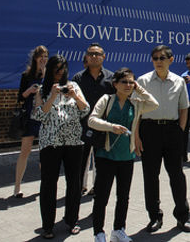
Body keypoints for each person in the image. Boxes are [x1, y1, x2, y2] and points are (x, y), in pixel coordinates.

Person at [88, 68, 159, 242]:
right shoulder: (107, 99)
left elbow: (154, 104)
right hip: (106, 155)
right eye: (124, 82)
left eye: (131, 82)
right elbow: (92, 120)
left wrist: (139, 89)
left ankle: (119, 229)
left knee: (123, 197)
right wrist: (111, 127)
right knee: (102, 197)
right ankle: (99, 232)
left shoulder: (135, 103)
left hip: (126, 156)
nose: (128, 85)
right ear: (115, 84)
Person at [136, 45, 190, 233]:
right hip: (149, 131)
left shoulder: (179, 81)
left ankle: (183, 216)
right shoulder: (143, 81)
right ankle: (154, 217)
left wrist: (180, 130)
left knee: (177, 175)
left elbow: (184, 108)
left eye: (162, 58)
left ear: (171, 60)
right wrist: (136, 136)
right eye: (155, 58)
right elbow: (136, 111)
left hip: (172, 131)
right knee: (151, 176)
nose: (158, 61)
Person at [32, 55, 90, 238]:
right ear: (50, 70)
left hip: (73, 141)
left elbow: (85, 109)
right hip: (51, 142)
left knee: (74, 182)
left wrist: (74, 96)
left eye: (62, 69)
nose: (59, 73)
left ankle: (72, 220)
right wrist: (52, 96)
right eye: (56, 69)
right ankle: (48, 225)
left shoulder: (74, 86)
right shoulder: (42, 90)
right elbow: (39, 115)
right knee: (49, 183)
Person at [72, 43, 114, 196]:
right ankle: (77, 189)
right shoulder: (78, 78)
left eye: (97, 54)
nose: (94, 56)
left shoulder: (111, 78)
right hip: (82, 126)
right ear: (86, 57)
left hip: (102, 127)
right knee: (80, 162)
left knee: (101, 162)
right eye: (91, 54)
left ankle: (98, 189)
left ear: (104, 57)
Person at [13, 45, 48, 198]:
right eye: (41, 57)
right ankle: (17, 187)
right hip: (30, 117)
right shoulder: (26, 75)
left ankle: (45, 185)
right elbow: (20, 97)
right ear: (35, 58)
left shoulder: (50, 75)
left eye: (45, 57)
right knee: (25, 151)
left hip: (44, 117)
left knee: (44, 153)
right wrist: (29, 91)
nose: (43, 60)